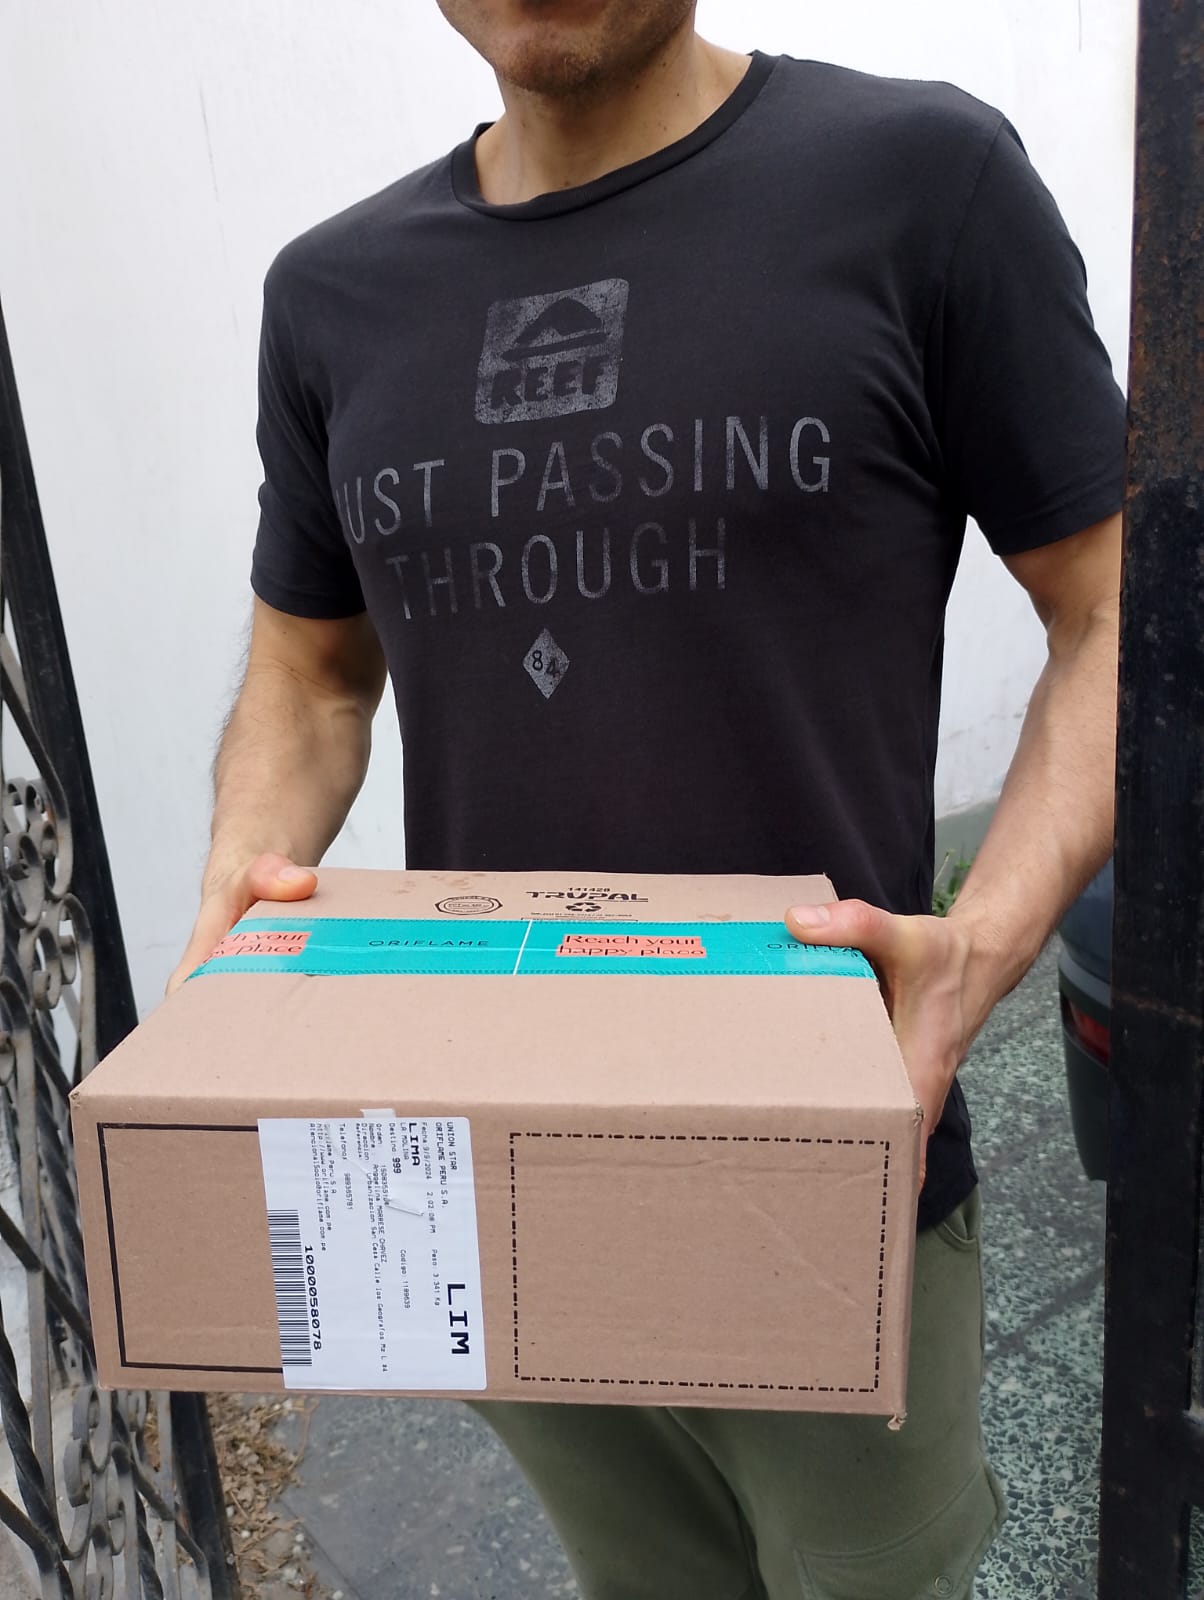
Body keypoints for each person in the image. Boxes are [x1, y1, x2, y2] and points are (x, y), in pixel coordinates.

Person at [170, 4, 1125, 1594]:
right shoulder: (330, 294)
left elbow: (1113, 613)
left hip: (830, 1169)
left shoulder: (922, 184)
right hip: (492, 1174)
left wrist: (978, 945)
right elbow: (312, 671)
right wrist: (239, 881)